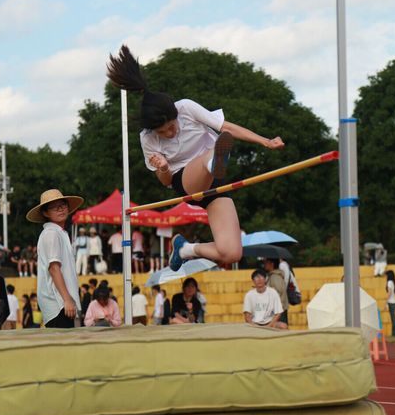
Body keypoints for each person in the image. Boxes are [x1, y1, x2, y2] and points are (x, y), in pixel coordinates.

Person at [106, 46, 284, 273]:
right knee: (210, 154)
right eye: (163, 132)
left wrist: (265, 141)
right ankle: (213, 162)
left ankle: (185, 249)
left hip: (215, 184)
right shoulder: (147, 138)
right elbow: (165, 181)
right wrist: (163, 168)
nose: (169, 133)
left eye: (171, 127)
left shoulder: (186, 108)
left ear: (176, 115)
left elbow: (226, 127)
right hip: (185, 180)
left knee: (231, 252)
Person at [27, 189, 84, 328]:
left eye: (63, 205)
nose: (60, 209)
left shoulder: (58, 233)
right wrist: (67, 299)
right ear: (45, 213)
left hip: (60, 302)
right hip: (58, 303)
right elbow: (54, 268)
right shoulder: (51, 233)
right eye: (54, 207)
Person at [263, 258, 288, 326]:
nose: (264, 264)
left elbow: (278, 292)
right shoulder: (272, 276)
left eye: (266, 262)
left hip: (277, 312)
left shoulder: (275, 277)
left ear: (272, 264)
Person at [385, 270, 395, 337]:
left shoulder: (389, 282)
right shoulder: (393, 282)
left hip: (391, 302)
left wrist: (386, 302)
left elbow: (389, 293)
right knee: (393, 319)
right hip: (394, 302)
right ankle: (394, 333)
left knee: (393, 319)